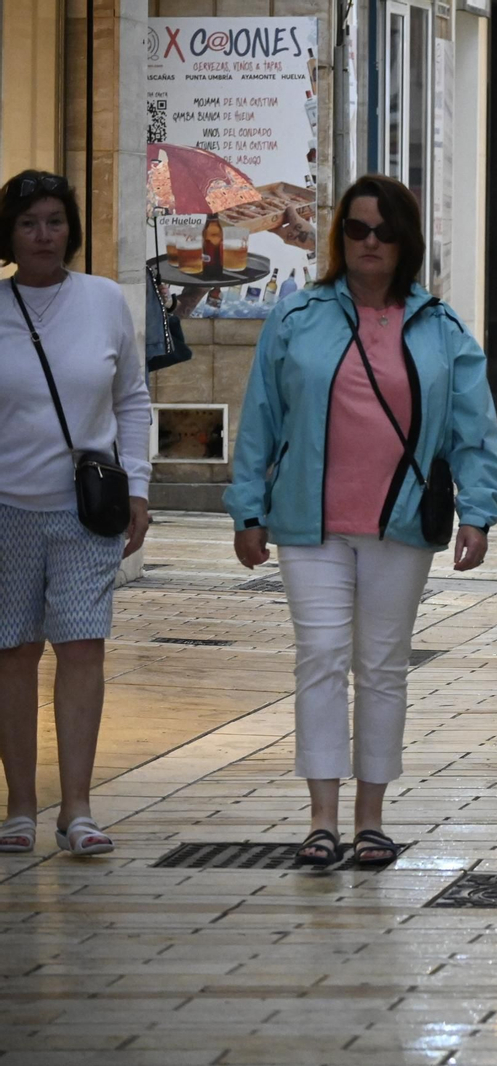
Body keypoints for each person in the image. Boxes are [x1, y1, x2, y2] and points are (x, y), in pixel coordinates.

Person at [226, 175, 497, 868]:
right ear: (340, 238)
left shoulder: (441, 327)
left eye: (384, 231)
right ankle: (321, 819)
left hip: (402, 522)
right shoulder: (297, 319)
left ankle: (371, 819)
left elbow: (474, 429)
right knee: (320, 659)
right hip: (308, 523)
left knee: (382, 668)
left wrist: (480, 510)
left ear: (406, 241)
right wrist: (247, 509)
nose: (370, 243)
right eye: (357, 230)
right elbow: (261, 418)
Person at [0, 171, 152, 858]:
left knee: (83, 648)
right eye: (29, 222)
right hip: (5, 507)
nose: (43, 235)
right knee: (13, 653)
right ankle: (21, 807)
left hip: (88, 505)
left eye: (55, 221)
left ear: (73, 228)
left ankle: (80, 807)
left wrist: (141, 489)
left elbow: (133, 399)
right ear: (9, 232)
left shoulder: (103, 301)